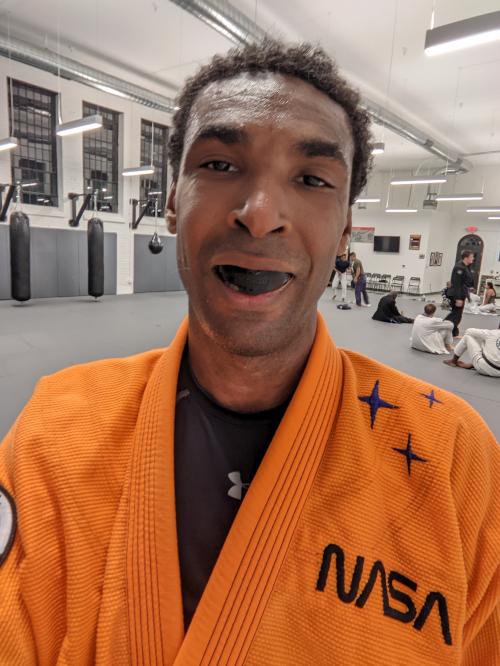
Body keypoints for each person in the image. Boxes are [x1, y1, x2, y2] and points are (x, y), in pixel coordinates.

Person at [0, 40, 498, 666]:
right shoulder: (54, 428)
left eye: (312, 179)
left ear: (346, 227)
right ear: (173, 202)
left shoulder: (455, 460)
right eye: (219, 164)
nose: (260, 216)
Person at [444, 250, 474, 336]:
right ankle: (443, 328)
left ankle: (453, 331)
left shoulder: (466, 266)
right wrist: (458, 298)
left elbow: (467, 279)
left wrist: (470, 287)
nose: (473, 258)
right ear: (466, 258)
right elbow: (457, 284)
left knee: (457, 314)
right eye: (471, 257)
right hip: (457, 294)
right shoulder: (459, 267)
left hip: (462, 293)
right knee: (456, 314)